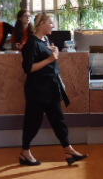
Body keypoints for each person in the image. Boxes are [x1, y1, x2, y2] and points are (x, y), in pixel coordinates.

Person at [19, 12, 88, 167]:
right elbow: (28, 68)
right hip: (37, 90)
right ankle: (25, 152)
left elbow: (49, 60)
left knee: (58, 120)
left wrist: (54, 52)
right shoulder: (31, 43)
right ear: (41, 24)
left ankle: (68, 150)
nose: (53, 26)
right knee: (33, 122)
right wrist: (51, 58)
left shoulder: (46, 40)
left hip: (51, 88)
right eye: (50, 23)